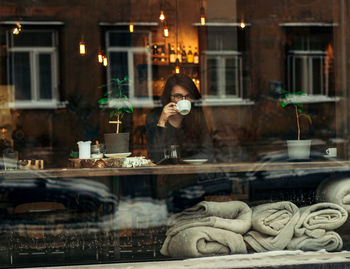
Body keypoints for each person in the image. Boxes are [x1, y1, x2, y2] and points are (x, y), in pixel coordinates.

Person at [146, 74, 214, 164]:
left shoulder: (196, 116)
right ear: (169, 97)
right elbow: (155, 157)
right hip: (164, 174)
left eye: (188, 96)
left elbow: (207, 151)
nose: (184, 100)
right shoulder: (154, 116)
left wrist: (183, 163)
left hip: (193, 172)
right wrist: (162, 122)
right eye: (178, 96)